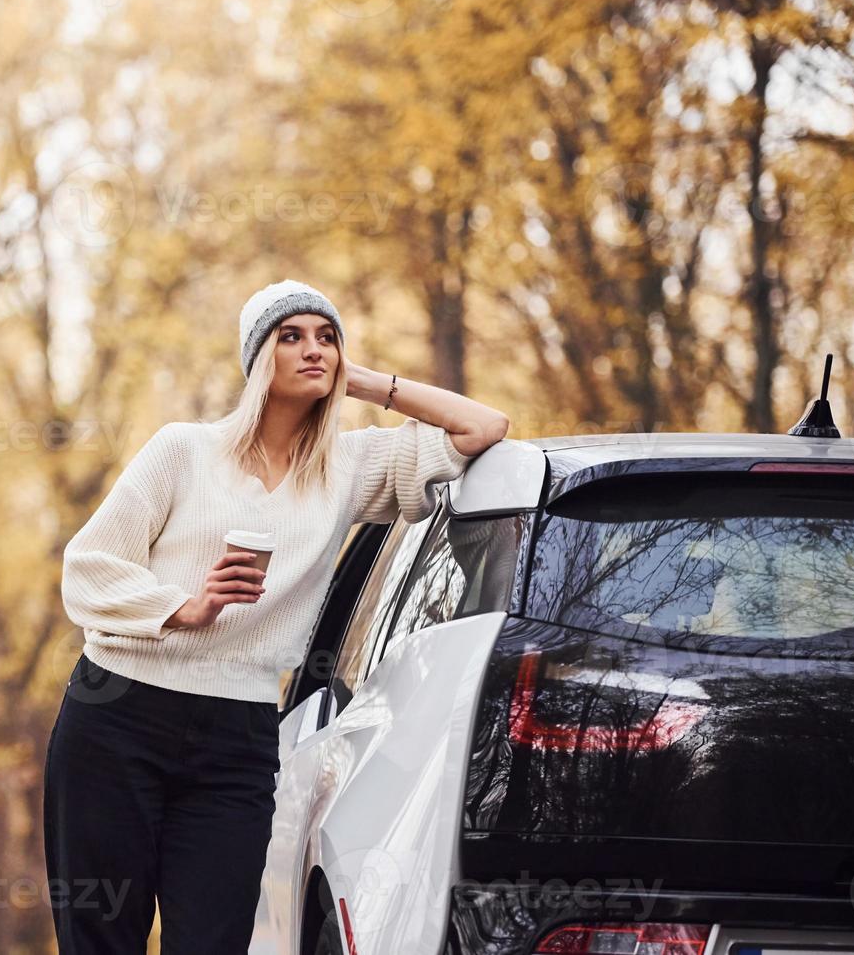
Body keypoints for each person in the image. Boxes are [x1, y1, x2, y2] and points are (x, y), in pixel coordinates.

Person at [42, 279, 510, 954]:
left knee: (213, 940)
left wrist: (364, 381)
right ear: (258, 356)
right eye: (289, 336)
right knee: (100, 937)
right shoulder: (183, 451)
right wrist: (183, 607)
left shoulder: (349, 468)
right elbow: (88, 568)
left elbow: (483, 427)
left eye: (326, 338)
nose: (311, 350)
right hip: (117, 717)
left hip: (236, 738)